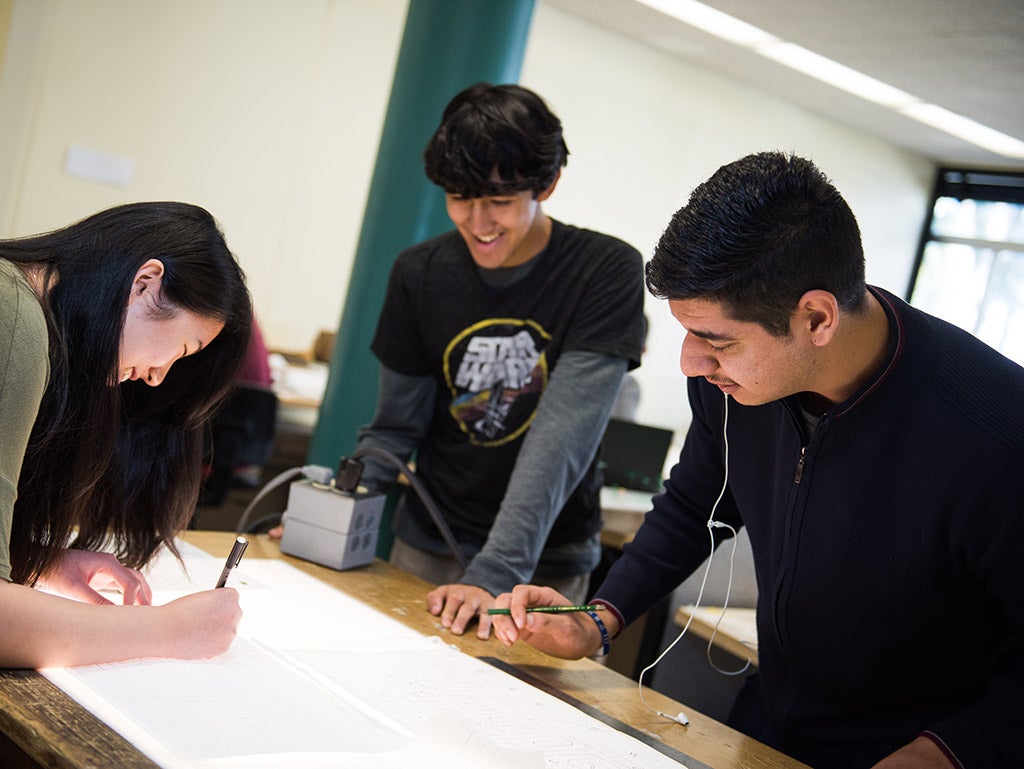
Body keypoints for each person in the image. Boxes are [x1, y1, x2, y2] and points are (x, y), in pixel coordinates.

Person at [491, 151, 1024, 769]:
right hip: (764, 726)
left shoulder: (995, 439)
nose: (691, 363)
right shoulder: (733, 386)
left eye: (716, 340)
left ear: (817, 317)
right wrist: (599, 619)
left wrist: (942, 754)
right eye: (688, 334)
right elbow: (696, 500)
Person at [0, 202, 252, 762]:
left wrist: (42, 560)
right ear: (145, 284)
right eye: (182, 348)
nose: (156, 376)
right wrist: (170, 630)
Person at [354, 83, 647, 640]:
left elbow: (562, 438)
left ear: (548, 184)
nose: (477, 222)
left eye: (499, 201)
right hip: (428, 546)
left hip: (544, 564)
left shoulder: (604, 270)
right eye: (460, 198)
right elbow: (394, 428)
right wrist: (337, 508)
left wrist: (497, 571)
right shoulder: (419, 273)